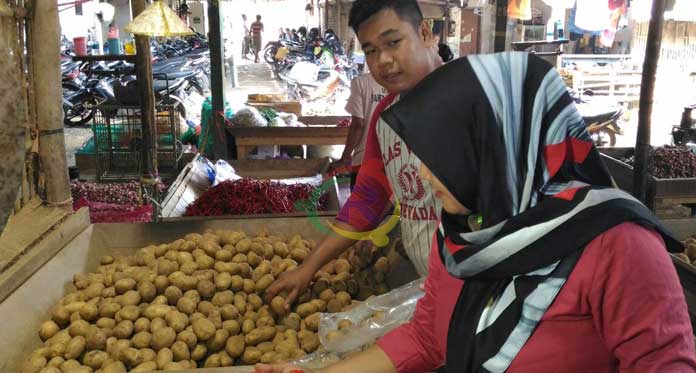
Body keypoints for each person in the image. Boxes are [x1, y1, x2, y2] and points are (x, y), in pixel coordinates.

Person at [257, 52, 696, 373]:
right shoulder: (464, 229)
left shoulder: (618, 244)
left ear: (496, 147)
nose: (425, 175)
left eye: (442, 156)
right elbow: (427, 337)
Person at [267, 0, 443, 305]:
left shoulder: (474, 101)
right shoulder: (386, 118)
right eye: (370, 50)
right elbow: (368, 198)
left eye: (393, 42)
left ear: (425, 33)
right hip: (426, 286)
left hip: (485, 288)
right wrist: (307, 268)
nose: (383, 60)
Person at [333, 73, 388, 190]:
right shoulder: (400, 83)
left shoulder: (361, 82)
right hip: (392, 160)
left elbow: (358, 125)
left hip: (365, 159)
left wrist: (344, 158)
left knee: (360, 205)